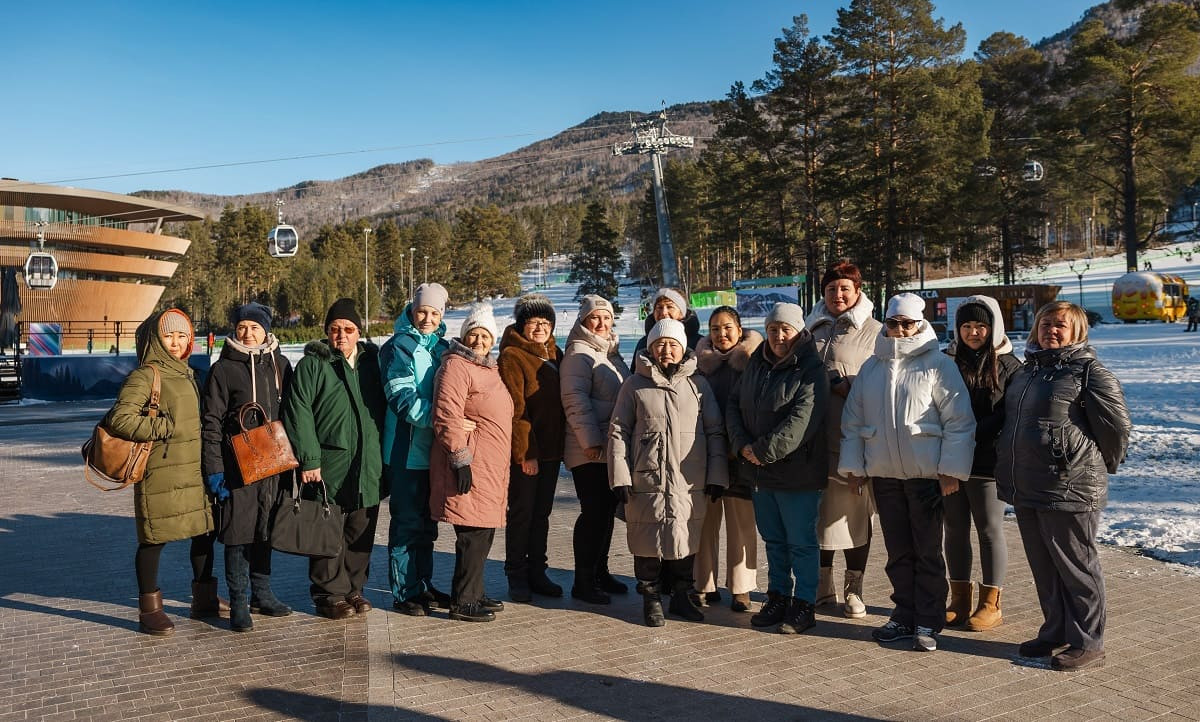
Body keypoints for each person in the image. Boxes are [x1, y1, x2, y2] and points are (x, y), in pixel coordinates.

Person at [996, 301, 1131, 671]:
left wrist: (1086, 466)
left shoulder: (1089, 371)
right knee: (1045, 565)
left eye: (1060, 326)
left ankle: (1088, 642)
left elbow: (1117, 429)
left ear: (1077, 332)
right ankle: (1055, 629)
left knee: (1077, 566)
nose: (1051, 331)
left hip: (1069, 485)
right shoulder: (1026, 372)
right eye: (1046, 324)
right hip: (1027, 484)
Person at [840, 293, 975, 652]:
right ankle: (904, 613)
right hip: (885, 475)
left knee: (927, 550)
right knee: (898, 550)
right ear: (885, 324)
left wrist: (950, 471)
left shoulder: (937, 365)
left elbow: (959, 421)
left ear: (920, 324)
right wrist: (855, 468)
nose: (900, 330)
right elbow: (853, 421)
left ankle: (929, 621)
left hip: (925, 476)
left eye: (907, 324)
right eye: (893, 323)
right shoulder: (872, 367)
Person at [609, 318, 728, 627]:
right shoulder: (634, 384)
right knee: (647, 540)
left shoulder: (697, 385)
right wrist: (620, 477)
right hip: (646, 479)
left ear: (683, 349)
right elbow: (618, 432)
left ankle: (680, 597)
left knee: (685, 539)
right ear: (650, 348)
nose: (666, 350)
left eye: (673, 344)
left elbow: (715, 432)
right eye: (660, 344)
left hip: (690, 480)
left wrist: (717, 475)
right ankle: (650, 599)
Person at [106, 308, 215, 635]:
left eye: (182, 335)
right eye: (169, 335)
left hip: (194, 472)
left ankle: (205, 598)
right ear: (156, 337)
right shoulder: (146, 375)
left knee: (204, 532)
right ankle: (149, 609)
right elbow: (119, 419)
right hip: (161, 473)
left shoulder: (189, 373)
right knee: (154, 539)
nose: (176, 341)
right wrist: (163, 427)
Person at [727, 304, 830, 634]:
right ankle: (778, 596)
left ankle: (804, 604)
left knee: (801, 541)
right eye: (773, 329)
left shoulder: (810, 369)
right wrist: (742, 445)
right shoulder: (757, 362)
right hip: (760, 472)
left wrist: (761, 451)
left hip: (797, 473)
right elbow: (734, 403)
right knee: (773, 539)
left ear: (799, 332)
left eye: (786, 329)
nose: (779, 336)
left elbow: (802, 420)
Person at [282, 298, 386, 620]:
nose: (341, 335)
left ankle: (354, 588)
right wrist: (310, 459)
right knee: (327, 530)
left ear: (359, 332)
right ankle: (329, 594)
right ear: (327, 332)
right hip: (329, 463)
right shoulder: (314, 364)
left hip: (367, 462)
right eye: (334, 329)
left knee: (360, 529)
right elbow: (298, 412)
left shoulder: (372, 362)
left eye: (348, 329)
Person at [201, 302, 294, 632]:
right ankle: (239, 600)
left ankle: (263, 593)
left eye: (254, 327)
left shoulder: (280, 365)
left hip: (274, 462)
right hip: (237, 465)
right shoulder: (223, 370)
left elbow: (292, 415)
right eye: (242, 327)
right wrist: (214, 470)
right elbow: (210, 422)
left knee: (265, 530)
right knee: (238, 535)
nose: (248, 332)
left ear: (266, 330)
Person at [804, 261, 883, 619]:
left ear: (858, 291)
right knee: (819, 517)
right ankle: (824, 587)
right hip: (812, 441)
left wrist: (848, 384)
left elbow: (882, 382)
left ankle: (855, 587)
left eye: (845, 289)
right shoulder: (809, 330)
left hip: (854, 440)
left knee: (853, 516)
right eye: (832, 289)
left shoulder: (875, 332)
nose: (838, 295)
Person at [942, 296, 1022, 632]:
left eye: (980, 326)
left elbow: (1009, 414)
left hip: (988, 462)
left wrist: (971, 434)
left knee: (989, 531)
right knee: (955, 530)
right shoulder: (945, 361)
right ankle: (958, 599)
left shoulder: (1010, 366)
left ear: (994, 327)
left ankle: (991, 603)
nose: (974, 332)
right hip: (949, 462)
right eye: (967, 326)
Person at [429, 304, 513, 623]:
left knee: (484, 532)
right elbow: (446, 413)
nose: (479, 340)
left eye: (485, 335)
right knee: (472, 534)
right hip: (470, 463)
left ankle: (474, 592)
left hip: (490, 466)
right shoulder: (456, 365)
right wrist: (459, 458)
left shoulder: (488, 368)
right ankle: (463, 601)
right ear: (464, 336)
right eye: (473, 334)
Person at [379, 283, 453, 616]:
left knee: (428, 525)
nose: (427, 318)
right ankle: (404, 590)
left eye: (434, 313)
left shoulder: (443, 348)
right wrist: (443, 420)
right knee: (407, 524)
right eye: (422, 311)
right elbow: (400, 397)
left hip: (434, 456)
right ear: (412, 310)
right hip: (406, 453)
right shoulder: (398, 347)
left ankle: (423, 583)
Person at [559, 294, 631, 604]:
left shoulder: (609, 351)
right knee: (593, 514)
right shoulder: (578, 352)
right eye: (594, 318)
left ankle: (600, 572)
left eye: (606, 318)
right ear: (583, 321)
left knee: (605, 513)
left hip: (609, 447)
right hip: (589, 449)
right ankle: (583, 581)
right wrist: (590, 442)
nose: (601, 323)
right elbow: (574, 399)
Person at [692, 305, 763, 612]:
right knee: (706, 522)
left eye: (727, 328)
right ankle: (704, 584)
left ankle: (742, 588)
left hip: (741, 454)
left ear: (739, 329)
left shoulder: (751, 362)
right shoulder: (698, 365)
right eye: (715, 329)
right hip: (708, 454)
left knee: (742, 523)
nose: (722, 334)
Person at [498, 293, 567, 602]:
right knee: (522, 513)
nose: (540, 328)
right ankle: (517, 575)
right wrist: (527, 454)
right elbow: (516, 410)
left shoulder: (556, 354)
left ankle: (538, 571)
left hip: (553, 451)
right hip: (528, 452)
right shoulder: (512, 355)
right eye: (533, 322)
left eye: (545, 322)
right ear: (521, 325)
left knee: (542, 514)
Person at [630, 287, 702, 364]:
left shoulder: (700, 343)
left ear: (682, 312)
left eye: (670, 307)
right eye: (659, 307)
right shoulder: (644, 343)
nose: (664, 312)